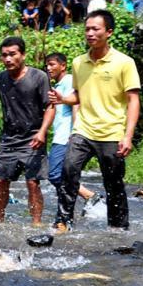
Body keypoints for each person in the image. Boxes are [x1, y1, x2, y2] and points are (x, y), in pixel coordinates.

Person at [51, 10, 140, 232]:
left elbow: (133, 100)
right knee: (68, 171)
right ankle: (63, 222)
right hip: (83, 130)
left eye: (95, 29)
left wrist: (128, 136)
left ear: (108, 32)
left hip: (112, 133)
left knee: (114, 184)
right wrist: (63, 99)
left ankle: (118, 229)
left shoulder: (124, 62)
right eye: (87, 29)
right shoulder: (79, 62)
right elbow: (78, 96)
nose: (90, 33)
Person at [0, 36, 54, 226]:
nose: (8, 59)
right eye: (4, 55)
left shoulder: (39, 77)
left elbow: (50, 107)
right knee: (2, 181)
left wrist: (42, 132)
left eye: (12, 54)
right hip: (9, 139)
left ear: (23, 55)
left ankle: (36, 223)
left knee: (32, 182)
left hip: (33, 138)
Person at [44, 53, 99, 214]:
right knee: (61, 175)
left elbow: (76, 105)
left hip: (66, 137)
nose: (48, 68)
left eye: (52, 64)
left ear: (63, 65)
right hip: (60, 136)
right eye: (47, 65)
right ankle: (67, 214)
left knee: (55, 174)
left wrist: (75, 133)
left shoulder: (68, 81)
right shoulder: (58, 85)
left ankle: (89, 196)